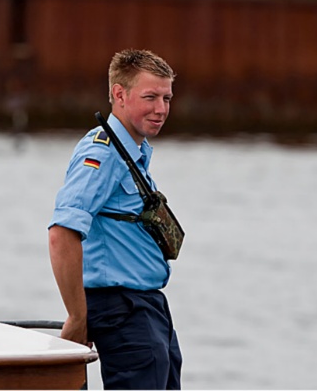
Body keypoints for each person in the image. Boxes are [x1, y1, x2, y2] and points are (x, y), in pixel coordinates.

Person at [49, 48, 183, 390]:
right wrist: (79, 318)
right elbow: (62, 233)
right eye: (150, 97)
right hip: (123, 310)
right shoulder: (102, 153)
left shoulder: (131, 152)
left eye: (167, 97)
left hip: (148, 307)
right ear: (119, 95)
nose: (161, 109)